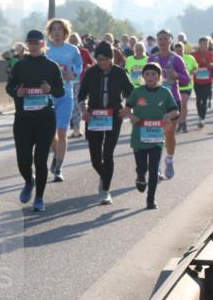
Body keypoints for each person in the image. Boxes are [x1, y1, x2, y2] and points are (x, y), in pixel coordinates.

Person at [7, 30, 64, 212]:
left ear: (43, 44)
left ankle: (39, 198)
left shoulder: (52, 66)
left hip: (45, 118)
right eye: (29, 42)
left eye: (36, 42)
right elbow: (9, 86)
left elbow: (60, 91)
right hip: (23, 119)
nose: (33, 45)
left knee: (40, 159)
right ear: (27, 45)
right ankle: (28, 181)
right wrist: (17, 92)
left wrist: (50, 89)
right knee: (23, 159)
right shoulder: (20, 66)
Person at [77, 41, 133, 205]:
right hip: (94, 116)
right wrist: (84, 110)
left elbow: (131, 93)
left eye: (105, 59)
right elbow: (81, 95)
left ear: (111, 59)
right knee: (95, 158)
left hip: (114, 116)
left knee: (107, 154)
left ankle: (105, 190)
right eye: (99, 59)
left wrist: (127, 108)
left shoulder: (120, 73)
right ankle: (105, 175)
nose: (102, 63)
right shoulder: (90, 72)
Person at [123, 62, 179, 210]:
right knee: (142, 168)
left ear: (159, 76)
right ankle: (140, 177)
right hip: (139, 137)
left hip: (156, 138)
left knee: (154, 168)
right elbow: (127, 108)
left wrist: (167, 116)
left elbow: (175, 111)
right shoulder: (137, 92)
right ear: (143, 77)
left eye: (153, 74)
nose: (150, 77)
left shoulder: (165, 92)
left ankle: (151, 199)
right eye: (147, 74)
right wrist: (131, 116)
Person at [147, 30, 190, 180]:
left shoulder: (176, 59)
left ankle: (169, 159)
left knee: (169, 133)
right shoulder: (152, 58)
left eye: (165, 39)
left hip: (172, 101)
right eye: (160, 39)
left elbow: (186, 80)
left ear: (170, 41)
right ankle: (157, 166)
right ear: (157, 41)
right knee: (155, 134)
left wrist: (176, 75)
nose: (163, 42)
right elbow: (145, 78)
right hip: (155, 101)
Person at [44, 19, 83, 182]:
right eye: (54, 29)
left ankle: (58, 168)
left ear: (65, 32)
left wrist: (72, 73)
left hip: (65, 96)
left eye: (60, 29)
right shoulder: (45, 49)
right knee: (49, 134)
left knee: (62, 131)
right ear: (50, 32)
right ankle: (55, 154)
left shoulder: (72, 50)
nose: (57, 32)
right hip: (47, 96)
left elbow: (80, 67)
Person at [68, 32, 93, 138]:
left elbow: (92, 63)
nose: (73, 41)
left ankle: (76, 129)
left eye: (75, 39)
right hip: (67, 81)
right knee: (70, 105)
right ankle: (73, 127)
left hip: (80, 81)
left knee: (76, 105)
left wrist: (87, 69)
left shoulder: (84, 52)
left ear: (78, 41)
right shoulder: (65, 52)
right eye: (71, 40)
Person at [191, 36, 213, 129]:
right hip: (197, 81)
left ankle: (202, 118)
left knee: (204, 100)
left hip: (207, 80)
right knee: (198, 99)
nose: (205, 46)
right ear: (199, 44)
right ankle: (199, 116)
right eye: (203, 44)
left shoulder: (210, 54)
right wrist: (194, 69)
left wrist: (211, 65)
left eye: (206, 44)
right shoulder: (194, 55)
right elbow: (191, 66)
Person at [178, 42, 198, 133]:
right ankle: (180, 122)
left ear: (184, 50)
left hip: (187, 85)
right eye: (177, 50)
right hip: (176, 86)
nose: (179, 52)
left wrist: (191, 72)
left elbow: (195, 67)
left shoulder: (189, 58)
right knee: (178, 106)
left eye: (180, 50)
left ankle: (183, 122)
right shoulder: (172, 59)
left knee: (184, 104)